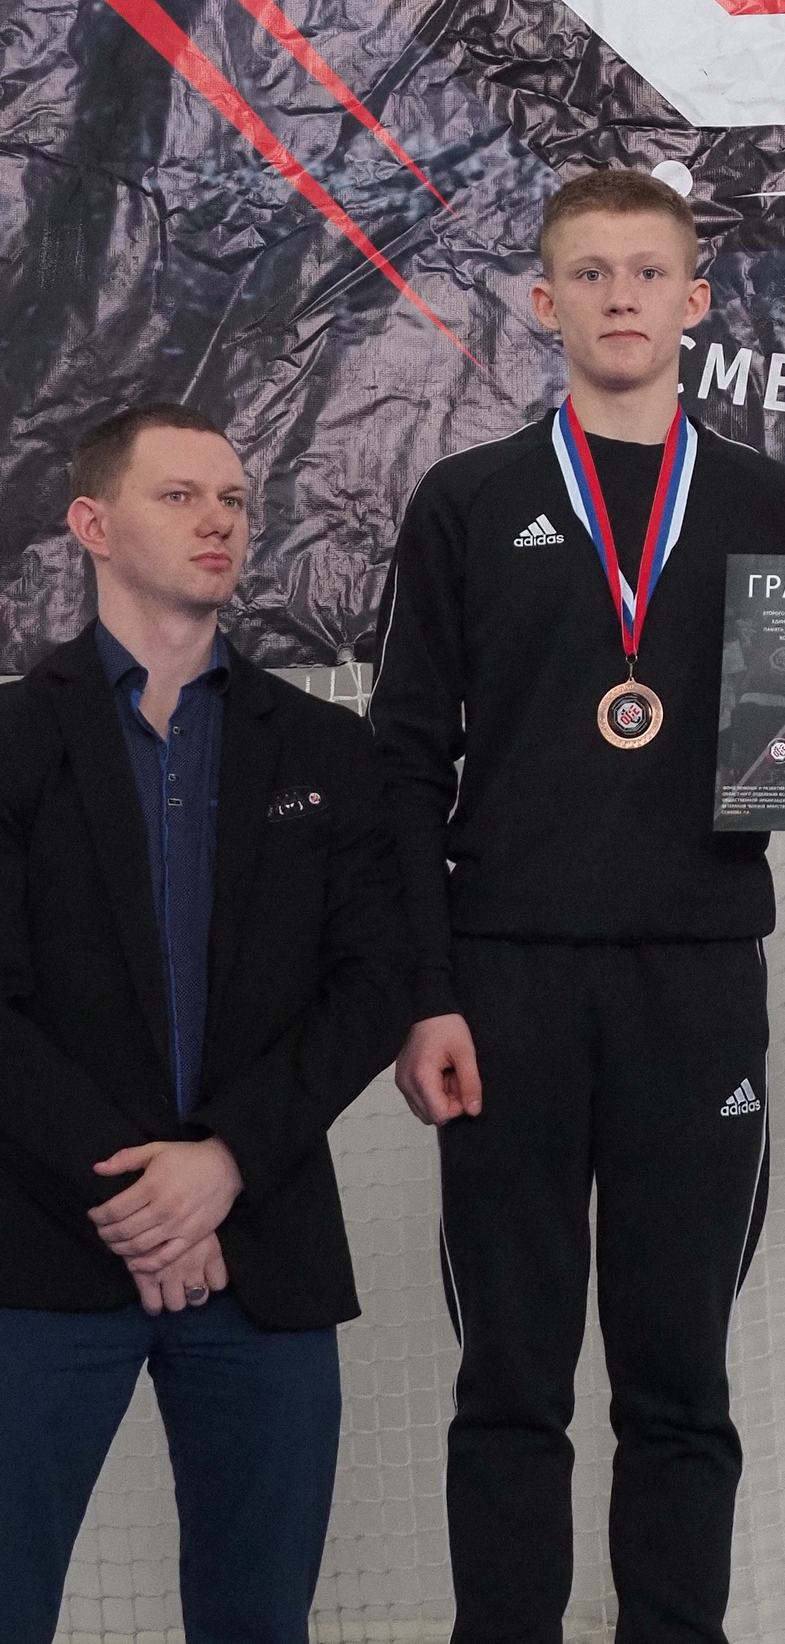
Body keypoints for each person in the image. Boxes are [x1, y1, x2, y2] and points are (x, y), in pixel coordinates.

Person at [372, 167, 785, 1644]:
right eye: (589, 272)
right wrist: (424, 991)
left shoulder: (765, 501)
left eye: (648, 271)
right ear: (544, 301)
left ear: (696, 299)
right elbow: (402, 768)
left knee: (678, 1383)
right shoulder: (468, 501)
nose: (621, 296)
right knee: (510, 1380)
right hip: (504, 986)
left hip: (695, 985)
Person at [0, 404, 409, 1644]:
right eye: (178, 495)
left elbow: (374, 984)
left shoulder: (329, 748)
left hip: (263, 1245)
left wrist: (222, 1161)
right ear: (91, 524)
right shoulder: (10, 742)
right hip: (42, 1247)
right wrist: (141, 1194)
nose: (217, 519)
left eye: (232, 498)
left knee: (258, 1620)